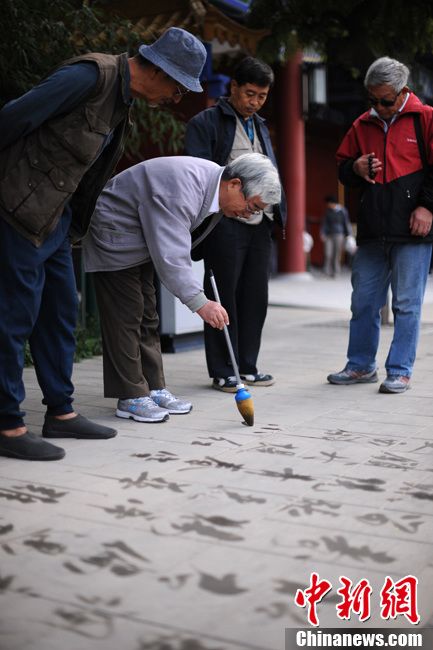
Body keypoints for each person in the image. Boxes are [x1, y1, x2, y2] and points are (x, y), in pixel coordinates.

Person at [0, 27, 207, 461]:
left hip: (56, 218)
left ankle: (61, 412)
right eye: (176, 86)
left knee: (60, 315)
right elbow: (14, 119)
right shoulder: (89, 78)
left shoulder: (123, 101)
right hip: (18, 209)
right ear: (157, 69)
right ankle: (7, 423)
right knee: (14, 316)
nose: (175, 97)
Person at [82, 153, 281, 421]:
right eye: (252, 206)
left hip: (141, 238)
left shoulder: (213, 185)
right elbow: (171, 253)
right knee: (126, 316)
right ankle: (130, 395)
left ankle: (154, 388)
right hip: (115, 232)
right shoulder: (182, 187)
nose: (249, 215)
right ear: (235, 184)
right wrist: (200, 303)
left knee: (148, 316)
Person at [327, 56, 433, 394]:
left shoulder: (426, 119)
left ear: (402, 93)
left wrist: (427, 207)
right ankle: (360, 366)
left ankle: (400, 370)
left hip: (413, 230)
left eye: (385, 101)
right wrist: (355, 169)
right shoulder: (361, 124)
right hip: (373, 230)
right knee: (363, 302)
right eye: (372, 100)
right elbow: (342, 167)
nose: (379, 107)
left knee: (406, 304)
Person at [184, 57, 286, 393]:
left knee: (255, 296)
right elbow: (198, 173)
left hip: (259, 223)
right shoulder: (206, 122)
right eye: (250, 93)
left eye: (262, 96)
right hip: (223, 221)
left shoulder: (261, 125)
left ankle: (248, 365)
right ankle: (224, 369)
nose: (255, 101)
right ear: (233, 88)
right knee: (222, 294)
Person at [320, 194, 353, 277]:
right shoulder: (328, 211)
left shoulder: (342, 211)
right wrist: (322, 233)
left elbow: (346, 222)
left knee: (336, 253)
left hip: (339, 234)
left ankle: (336, 272)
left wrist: (349, 234)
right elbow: (325, 223)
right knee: (328, 253)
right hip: (329, 235)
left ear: (332, 203)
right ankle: (326, 271)